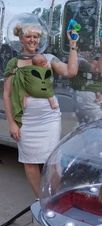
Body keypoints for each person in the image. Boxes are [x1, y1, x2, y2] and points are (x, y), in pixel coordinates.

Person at [3, 21, 79, 198]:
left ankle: (55, 198)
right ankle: (42, 200)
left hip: (49, 119)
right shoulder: (13, 63)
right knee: (29, 162)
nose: (32, 40)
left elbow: (71, 72)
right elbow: (7, 95)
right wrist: (12, 124)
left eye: (36, 36)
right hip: (25, 120)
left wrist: (73, 45)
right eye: (28, 36)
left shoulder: (49, 58)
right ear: (21, 38)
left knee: (52, 161)